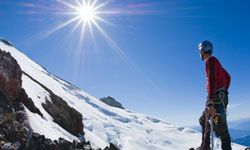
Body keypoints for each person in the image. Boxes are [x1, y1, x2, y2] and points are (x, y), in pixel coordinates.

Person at [198, 40, 231, 150]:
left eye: (200, 51)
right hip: (220, 97)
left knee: (222, 129)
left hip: (215, 98)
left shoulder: (210, 61)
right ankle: (205, 146)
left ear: (203, 50)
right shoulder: (216, 62)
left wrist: (211, 100)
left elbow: (212, 79)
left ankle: (206, 146)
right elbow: (228, 77)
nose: (199, 53)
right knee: (204, 120)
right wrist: (224, 92)